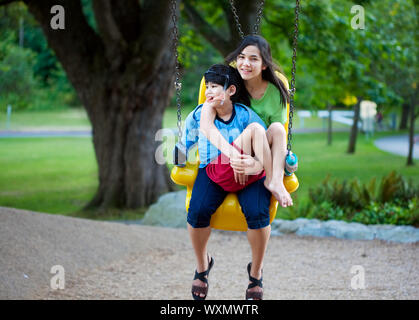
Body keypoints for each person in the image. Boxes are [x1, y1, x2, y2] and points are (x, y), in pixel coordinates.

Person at [174, 64, 274, 300]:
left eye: (215, 87)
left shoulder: (245, 115)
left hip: (246, 174)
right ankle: (202, 267)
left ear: (230, 90)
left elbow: (265, 143)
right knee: (196, 212)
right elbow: (184, 144)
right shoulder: (199, 115)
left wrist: (256, 163)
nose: (209, 92)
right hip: (211, 171)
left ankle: (256, 274)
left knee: (259, 215)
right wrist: (177, 156)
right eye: (207, 87)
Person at [200, 35, 293, 209]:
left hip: (260, 155)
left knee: (278, 129)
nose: (245, 63)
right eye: (241, 57)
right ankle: (268, 175)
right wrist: (235, 156)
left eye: (253, 59)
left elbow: (278, 140)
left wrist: (258, 165)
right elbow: (206, 125)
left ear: (264, 64)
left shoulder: (275, 92)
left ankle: (276, 182)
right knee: (255, 128)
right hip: (230, 152)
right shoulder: (230, 82)